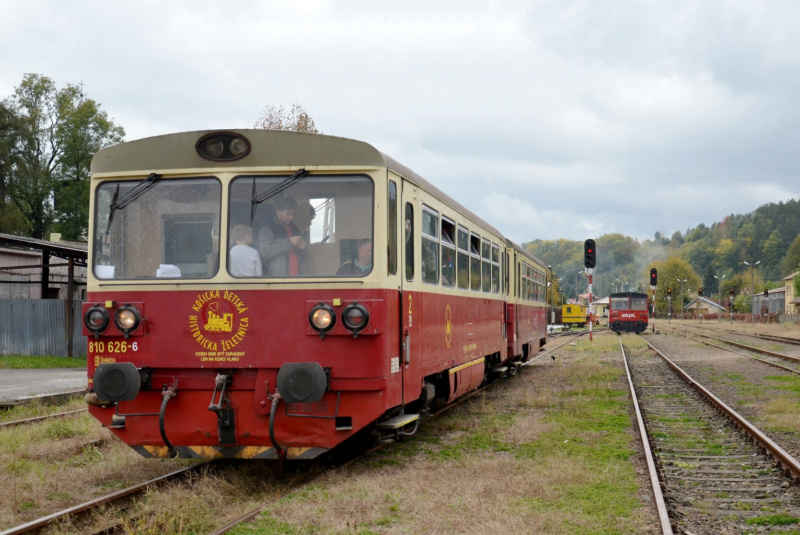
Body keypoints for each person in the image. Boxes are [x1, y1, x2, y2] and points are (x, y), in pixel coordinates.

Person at [258, 196, 306, 276]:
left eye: (293, 215)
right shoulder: (267, 228)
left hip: (297, 276)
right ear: (278, 212)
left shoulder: (295, 229)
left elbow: (301, 256)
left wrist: (303, 248)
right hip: (279, 278)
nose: (291, 217)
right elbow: (265, 252)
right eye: (288, 214)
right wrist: (289, 242)